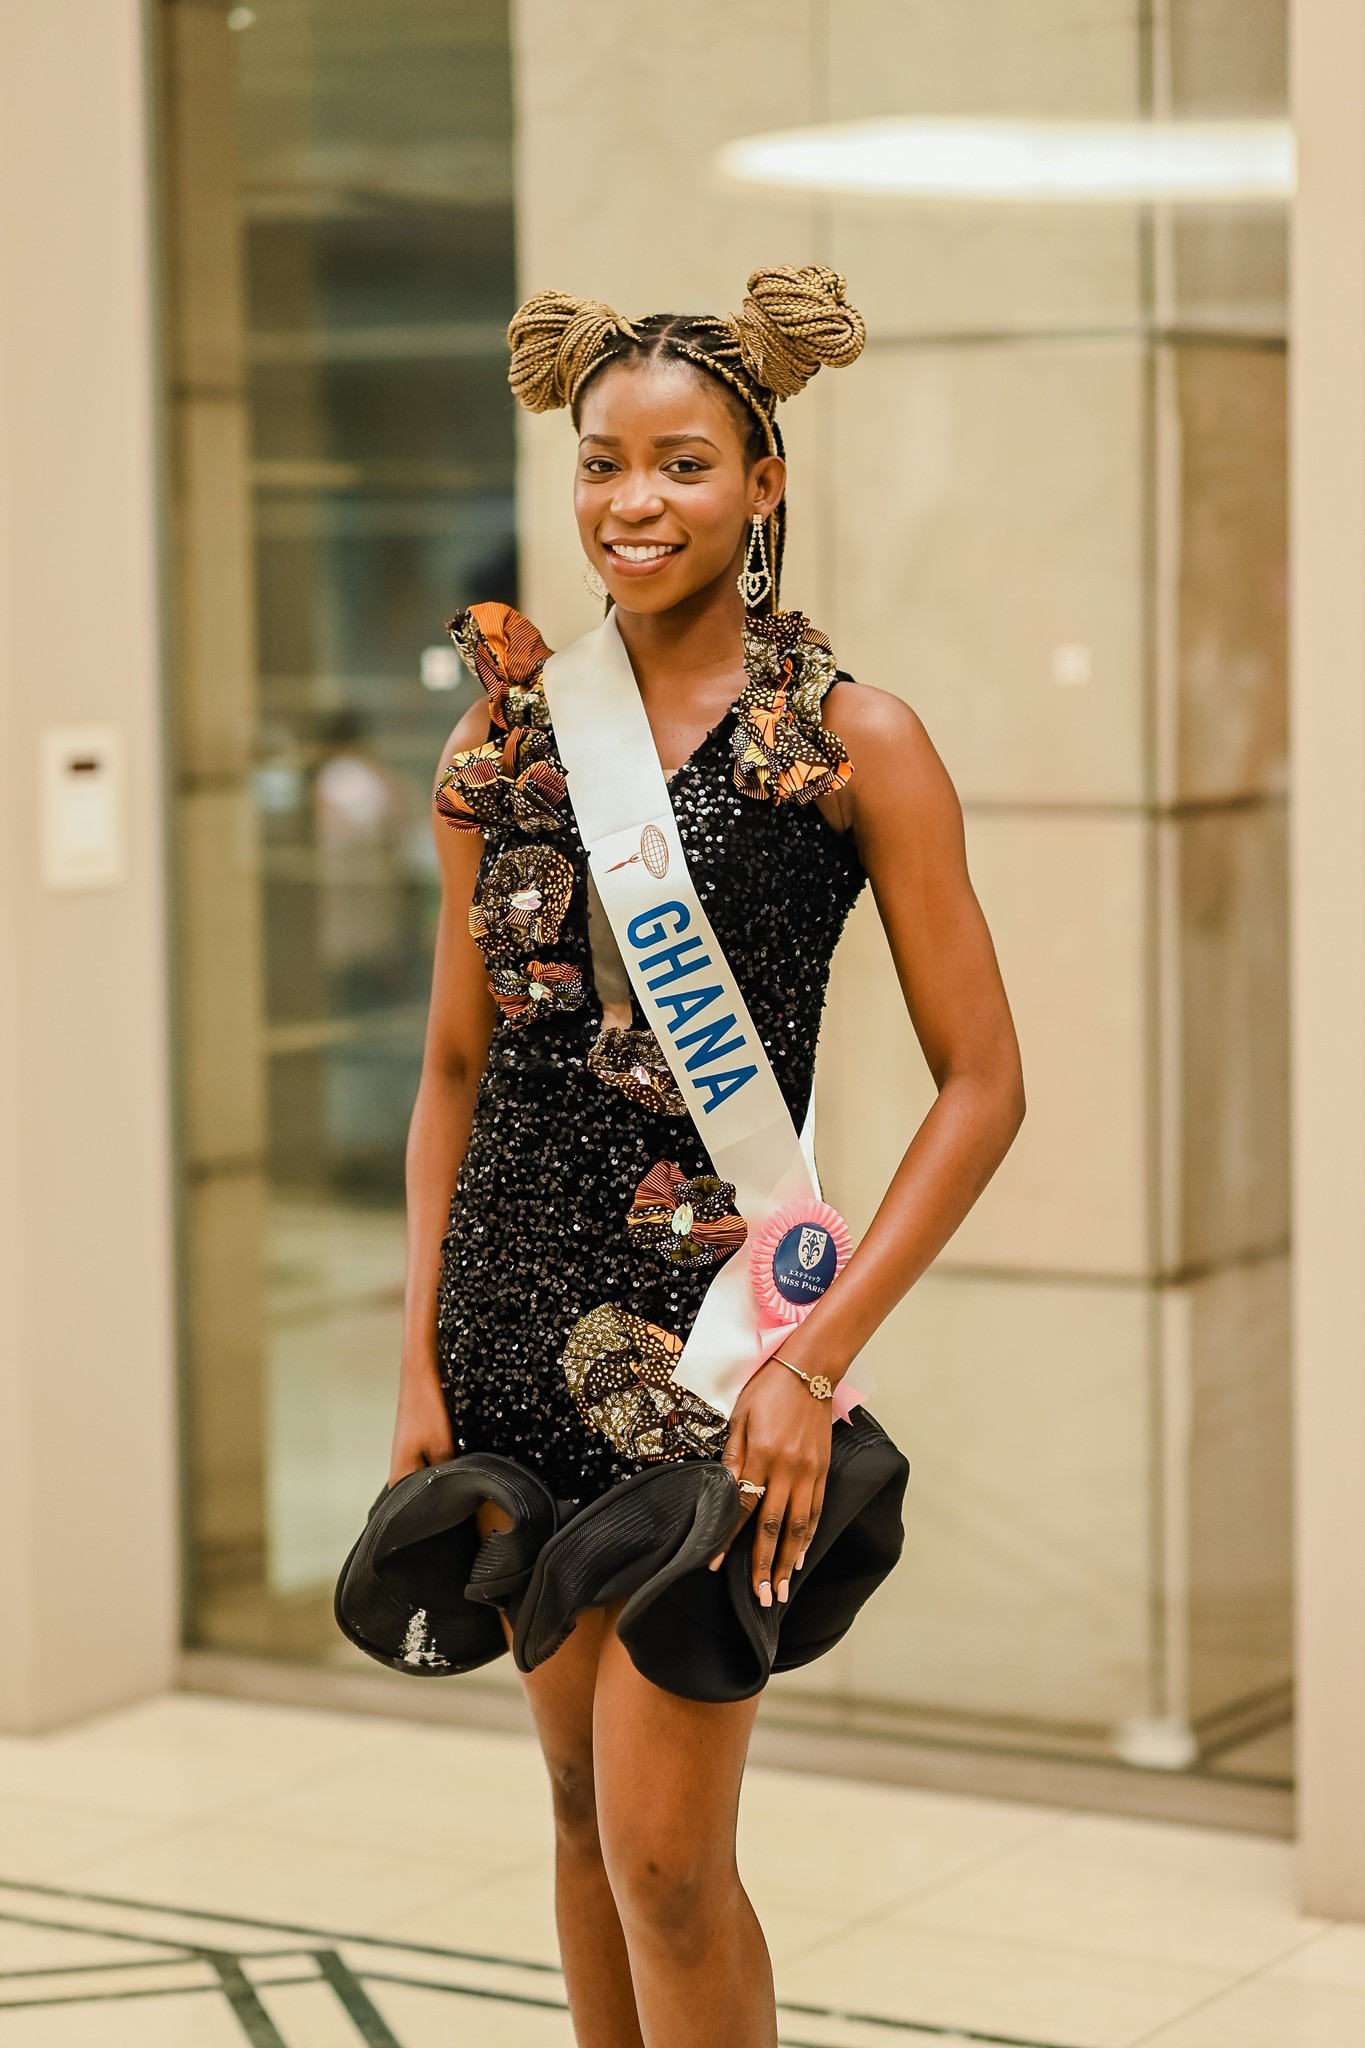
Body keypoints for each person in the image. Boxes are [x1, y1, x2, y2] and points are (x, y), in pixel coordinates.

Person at [387, 266, 1024, 2048]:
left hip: (723, 1352)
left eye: (680, 463)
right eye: (603, 464)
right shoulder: (500, 747)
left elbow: (983, 1088)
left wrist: (811, 1368)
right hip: (513, 1329)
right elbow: (454, 1069)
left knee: (672, 1857)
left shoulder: (847, 743)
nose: (631, 504)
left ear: (761, 483)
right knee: (587, 1827)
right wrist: (420, 1347)